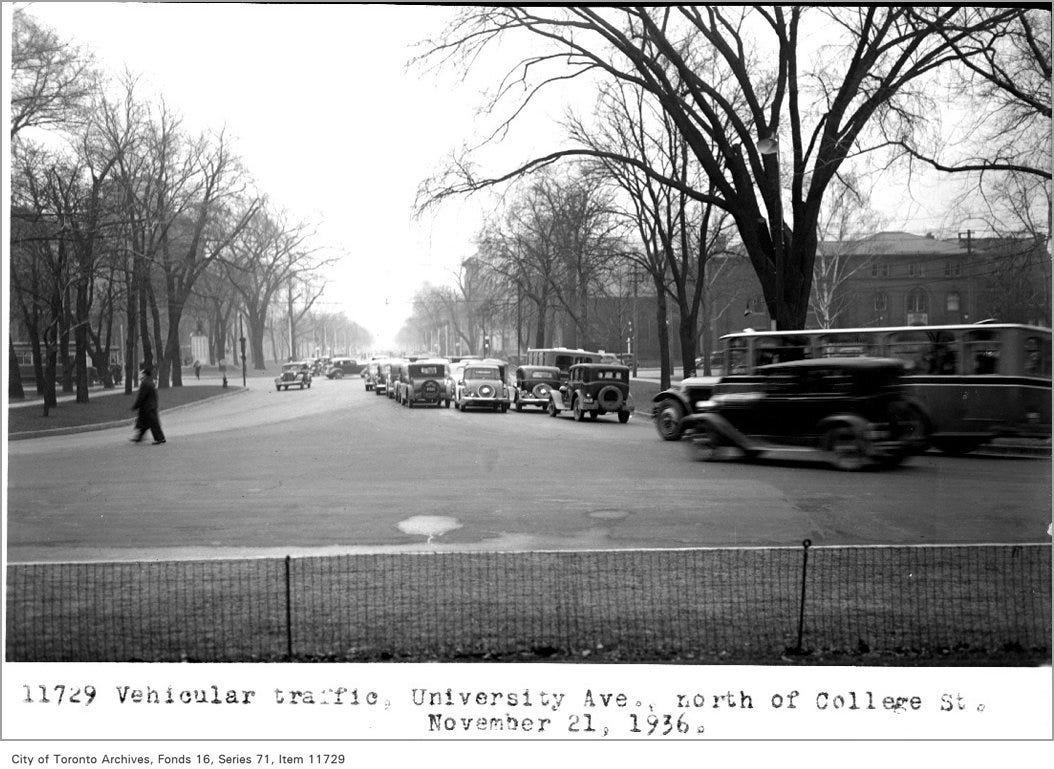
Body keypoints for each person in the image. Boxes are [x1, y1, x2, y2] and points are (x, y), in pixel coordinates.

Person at [130, 365, 166, 444]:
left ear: (145, 374)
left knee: (153, 424)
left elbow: (141, 396)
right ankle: (139, 437)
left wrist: (135, 406)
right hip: (150, 406)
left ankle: (160, 438)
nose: (141, 375)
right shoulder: (150, 382)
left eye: (143, 373)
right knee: (144, 423)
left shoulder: (145, 383)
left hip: (147, 407)